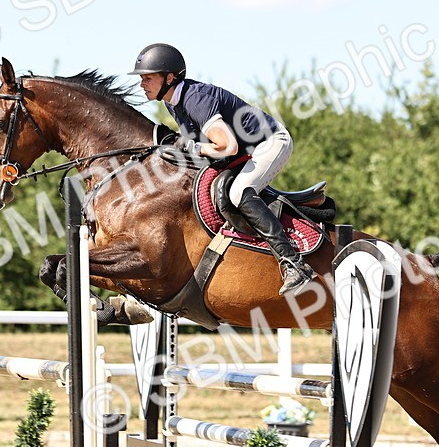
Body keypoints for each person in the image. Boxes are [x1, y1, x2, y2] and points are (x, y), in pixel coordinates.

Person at [130, 43, 315, 296]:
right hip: (244, 151)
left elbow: (226, 145)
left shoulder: (194, 99)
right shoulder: (172, 101)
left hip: (270, 142)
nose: (142, 84)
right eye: (142, 78)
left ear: (169, 78)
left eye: (148, 78)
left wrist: (191, 148)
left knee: (239, 192)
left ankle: (293, 264)